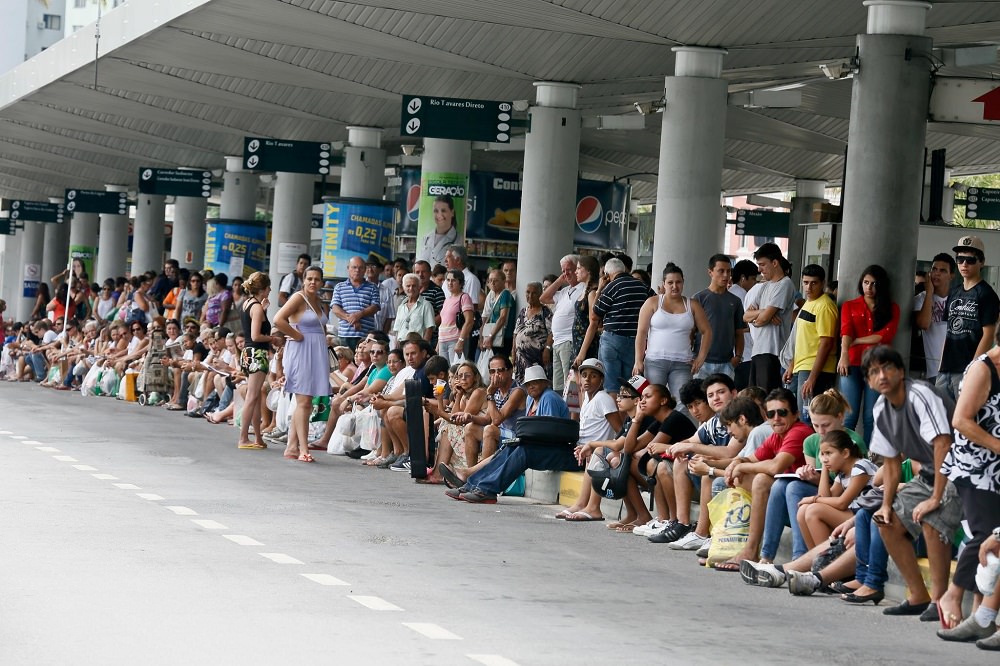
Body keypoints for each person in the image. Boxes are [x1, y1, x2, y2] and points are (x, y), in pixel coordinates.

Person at [863, 345, 963, 621]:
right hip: (930, 474)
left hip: (961, 471)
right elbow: (892, 463)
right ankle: (919, 595)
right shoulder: (881, 407)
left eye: (887, 368)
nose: (881, 375)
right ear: (869, 381)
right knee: (887, 521)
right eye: (873, 372)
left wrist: (935, 497)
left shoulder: (920, 394)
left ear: (901, 372)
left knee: (932, 519)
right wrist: (885, 506)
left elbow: (943, 444)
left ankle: (940, 600)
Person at [937, 332, 1000, 643]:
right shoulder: (983, 368)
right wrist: (998, 446)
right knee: (988, 534)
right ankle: (953, 593)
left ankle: (980, 612)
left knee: (995, 538)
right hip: (975, 467)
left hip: (996, 467)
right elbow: (961, 420)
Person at [443, 363, 575, 504]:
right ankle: (471, 485)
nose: (531, 386)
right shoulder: (531, 398)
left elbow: (549, 435)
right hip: (544, 447)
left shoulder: (549, 398)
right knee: (510, 447)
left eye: (536, 382)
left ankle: (487, 490)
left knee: (523, 451)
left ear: (544, 383)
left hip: (562, 451)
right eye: (528, 384)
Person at [717, 387, 813, 570]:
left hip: (806, 496)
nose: (776, 418)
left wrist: (741, 466)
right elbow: (752, 458)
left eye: (782, 412)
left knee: (766, 481)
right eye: (771, 413)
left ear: (795, 414)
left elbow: (776, 466)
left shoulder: (798, 431)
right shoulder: (776, 435)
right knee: (749, 479)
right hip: (786, 498)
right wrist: (737, 462)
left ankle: (756, 551)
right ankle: (758, 554)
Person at [272, 266, 330, 463]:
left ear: (322, 282)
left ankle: (292, 446)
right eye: (310, 279)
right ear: (303, 281)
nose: (313, 282)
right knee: (304, 401)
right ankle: (303, 448)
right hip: (300, 351)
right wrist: (297, 335)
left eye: (317, 279)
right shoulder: (298, 297)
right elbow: (278, 319)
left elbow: (321, 326)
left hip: (317, 352)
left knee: (306, 401)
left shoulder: (319, 301)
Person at [634, 262, 712, 406]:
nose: (674, 286)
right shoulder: (652, 302)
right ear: (663, 283)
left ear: (683, 283)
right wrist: (638, 360)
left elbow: (707, 331)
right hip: (655, 361)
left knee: (682, 404)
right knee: (652, 403)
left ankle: (674, 429)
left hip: (683, 363)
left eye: (678, 282)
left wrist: (700, 358)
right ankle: (654, 429)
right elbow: (641, 332)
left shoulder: (692, 304)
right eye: (670, 282)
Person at [838, 264, 900, 442]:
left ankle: (868, 458)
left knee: (871, 416)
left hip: (878, 366)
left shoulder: (891, 308)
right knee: (849, 414)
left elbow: (885, 335)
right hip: (852, 361)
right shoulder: (850, 306)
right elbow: (846, 331)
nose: (869, 287)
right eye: (866, 282)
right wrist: (844, 354)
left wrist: (856, 340)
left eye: (874, 283)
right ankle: (843, 454)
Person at [937, 235, 1000, 400]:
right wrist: (940, 364)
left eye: (971, 260)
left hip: (967, 368)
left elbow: (989, 334)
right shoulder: (954, 291)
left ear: (982, 262)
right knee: (939, 420)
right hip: (946, 369)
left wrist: (973, 369)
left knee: (963, 420)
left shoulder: (987, 294)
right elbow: (948, 331)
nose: (964, 264)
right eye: (960, 259)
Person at [795, 429, 876, 549]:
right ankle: (814, 560)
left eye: (829, 453)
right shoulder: (842, 474)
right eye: (822, 454)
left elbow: (842, 503)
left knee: (814, 510)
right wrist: (824, 468)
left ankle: (827, 561)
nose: (824, 458)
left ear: (845, 453)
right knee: (803, 511)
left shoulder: (861, 466)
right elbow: (825, 497)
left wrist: (813, 499)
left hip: (868, 516)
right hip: (854, 514)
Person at [591, 257, 653, 398]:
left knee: (611, 384)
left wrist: (600, 288)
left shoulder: (611, 287)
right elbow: (655, 304)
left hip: (612, 340)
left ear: (607, 274)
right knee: (630, 384)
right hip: (635, 341)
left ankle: (612, 418)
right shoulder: (643, 286)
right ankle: (626, 418)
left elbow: (595, 315)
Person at [784, 264, 839, 423]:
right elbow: (804, 339)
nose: (809, 287)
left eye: (814, 283)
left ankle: (811, 448)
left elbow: (826, 343)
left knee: (810, 418)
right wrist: (792, 365)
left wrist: (812, 378)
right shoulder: (809, 302)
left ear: (822, 283)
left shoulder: (825, 306)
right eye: (806, 282)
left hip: (815, 369)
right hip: (802, 367)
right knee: (798, 415)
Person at [744, 243, 795, 392]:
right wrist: (764, 312)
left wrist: (762, 316)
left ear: (775, 262)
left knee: (767, 399)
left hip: (773, 351)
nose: (759, 269)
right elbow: (746, 316)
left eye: (762, 265)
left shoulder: (784, 284)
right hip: (758, 350)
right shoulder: (765, 286)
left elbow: (761, 320)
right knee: (755, 399)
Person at [237, 272, 276, 450]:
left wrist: (263, 309)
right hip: (257, 353)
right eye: (268, 287)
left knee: (254, 396)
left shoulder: (248, 304)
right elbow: (256, 335)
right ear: (262, 289)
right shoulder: (257, 308)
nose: (270, 290)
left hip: (247, 352)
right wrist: (273, 339)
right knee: (252, 397)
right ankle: (243, 438)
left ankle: (257, 437)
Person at [692, 254, 747, 380]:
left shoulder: (736, 301)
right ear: (710, 272)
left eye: (728, 271)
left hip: (726, 363)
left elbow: (739, 332)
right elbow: (691, 331)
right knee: (699, 399)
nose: (726, 275)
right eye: (721, 271)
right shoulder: (699, 298)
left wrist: (738, 357)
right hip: (701, 361)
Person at [540, 255, 584, 393]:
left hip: (569, 341)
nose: (566, 273)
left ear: (577, 269)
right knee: (558, 386)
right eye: (563, 270)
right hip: (557, 342)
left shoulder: (583, 289)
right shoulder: (565, 291)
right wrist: (560, 279)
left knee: (569, 384)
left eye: (569, 270)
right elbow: (543, 298)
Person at [914, 253, 956, 384]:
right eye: (934, 269)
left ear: (951, 276)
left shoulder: (959, 298)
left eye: (942, 271)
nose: (936, 273)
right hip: (934, 370)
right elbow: (923, 324)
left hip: (958, 369)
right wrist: (929, 293)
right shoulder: (921, 298)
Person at [330, 256, 381, 352]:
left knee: (364, 364)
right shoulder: (339, 287)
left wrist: (359, 314)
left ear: (365, 270)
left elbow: (375, 307)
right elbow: (335, 308)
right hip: (344, 335)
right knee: (345, 364)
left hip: (366, 336)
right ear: (348, 268)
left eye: (361, 268)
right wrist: (351, 319)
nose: (357, 270)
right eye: (354, 267)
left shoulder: (373, 287)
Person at [513, 282, 553, 385]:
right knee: (521, 386)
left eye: (534, 293)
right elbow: (516, 333)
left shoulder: (545, 312)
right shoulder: (522, 312)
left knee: (536, 384)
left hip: (537, 358)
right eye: (528, 292)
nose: (530, 295)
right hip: (521, 358)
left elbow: (552, 332)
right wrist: (513, 353)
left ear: (540, 294)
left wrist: (547, 349)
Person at [730, 259, 759, 390]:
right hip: (745, 354)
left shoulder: (729, 293)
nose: (754, 283)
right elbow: (745, 323)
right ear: (743, 278)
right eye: (753, 279)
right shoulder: (743, 296)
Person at [438, 269, 475, 362]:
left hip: (455, 339)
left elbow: (469, 321)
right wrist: (438, 344)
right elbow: (443, 322)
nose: (450, 283)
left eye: (454, 280)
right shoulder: (447, 300)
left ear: (461, 283)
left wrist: (461, 340)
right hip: (443, 340)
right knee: (444, 371)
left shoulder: (464, 297)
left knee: (455, 370)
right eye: (448, 280)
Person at [572, 255, 602, 370]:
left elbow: (593, 323)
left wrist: (582, 352)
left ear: (588, 271)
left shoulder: (592, 293)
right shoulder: (585, 290)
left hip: (586, 344)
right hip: (577, 342)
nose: (576, 272)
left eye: (579, 268)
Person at [480, 269, 514, 361]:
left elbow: (503, 318)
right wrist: (482, 337)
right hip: (493, 336)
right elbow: (486, 317)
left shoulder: (505, 294)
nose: (492, 283)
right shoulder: (491, 296)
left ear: (503, 281)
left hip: (503, 337)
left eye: (496, 280)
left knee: (500, 361)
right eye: (490, 280)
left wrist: (490, 336)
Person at [392, 273, 436, 343]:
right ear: (404, 288)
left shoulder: (426, 305)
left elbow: (429, 328)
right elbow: (397, 330)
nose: (411, 288)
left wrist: (423, 346)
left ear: (419, 287)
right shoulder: (401, 306)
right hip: (401, 344)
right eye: (408, 286)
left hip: (417, 345)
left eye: (414, 286)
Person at [420, 196, 459, 269]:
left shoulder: (458, 239)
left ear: (452, 212)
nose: (439, 215)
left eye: (443, 210)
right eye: (436, 211)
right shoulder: (426, 238)